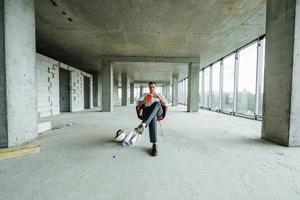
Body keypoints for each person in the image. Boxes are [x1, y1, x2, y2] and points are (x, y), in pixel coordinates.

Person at [135, 81, 168, 156]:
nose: (151, 88)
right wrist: (144, 101)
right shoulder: (145, 95)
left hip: (159, 110)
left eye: (153, 87)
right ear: (148, 87)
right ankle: (154, 144)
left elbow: (165, 103)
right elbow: (138, 104)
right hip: (148, 111)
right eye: (150, 87)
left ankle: (143, 125)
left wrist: (158, 97)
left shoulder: (159, 94)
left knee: (157, 103)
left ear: (155, 87)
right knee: (153, 116)